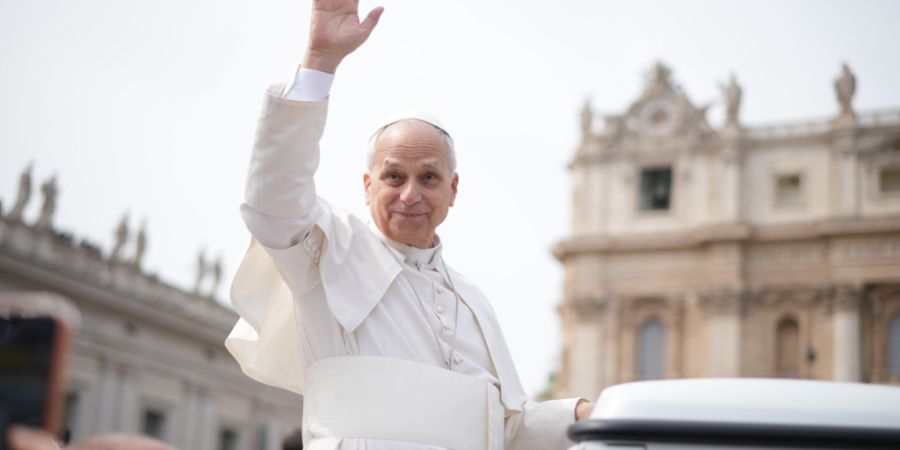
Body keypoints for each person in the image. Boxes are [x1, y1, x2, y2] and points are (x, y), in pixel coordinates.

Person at [224, 1, 594, 449]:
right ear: (367, 185)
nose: (410, 195)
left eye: (429, 178)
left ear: (453, 190)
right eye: (394, 176)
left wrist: (582, 414)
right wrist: (319, 64)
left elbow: (507, 430)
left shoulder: (474, 303)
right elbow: (273, 201)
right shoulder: (326, 252)